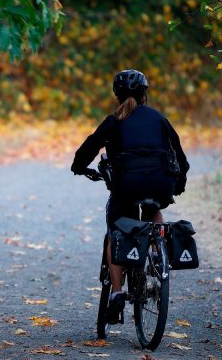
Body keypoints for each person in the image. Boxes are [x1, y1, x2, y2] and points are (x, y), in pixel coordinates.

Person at [70, 69, 189, 323]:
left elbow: (90, 146)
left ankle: (116, 294)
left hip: (128, 185)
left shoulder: (114, 120)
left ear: (117, 95)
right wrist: (179, 183)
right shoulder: (159, 119)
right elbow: (181, 156)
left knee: (117, 227)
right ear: (145, 94)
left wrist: (79, 167)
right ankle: (157, 250)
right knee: (153, 208)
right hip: (161, 183)